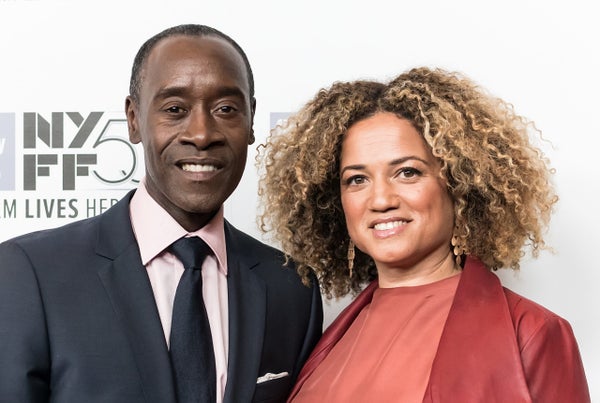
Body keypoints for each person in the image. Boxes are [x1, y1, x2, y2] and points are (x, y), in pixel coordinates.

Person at [0, 24, 322, 403]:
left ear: (251, 120)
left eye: (225, 109)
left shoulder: (292, 288)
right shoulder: (31, 273)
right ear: (134, 119)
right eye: (174, 110)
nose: (201, 134)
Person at [257, 67, 590, 402]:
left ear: (458, 185)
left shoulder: (532, 333)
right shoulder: (328, 342)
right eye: (357, 179)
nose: (381, 200)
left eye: (407, 172)